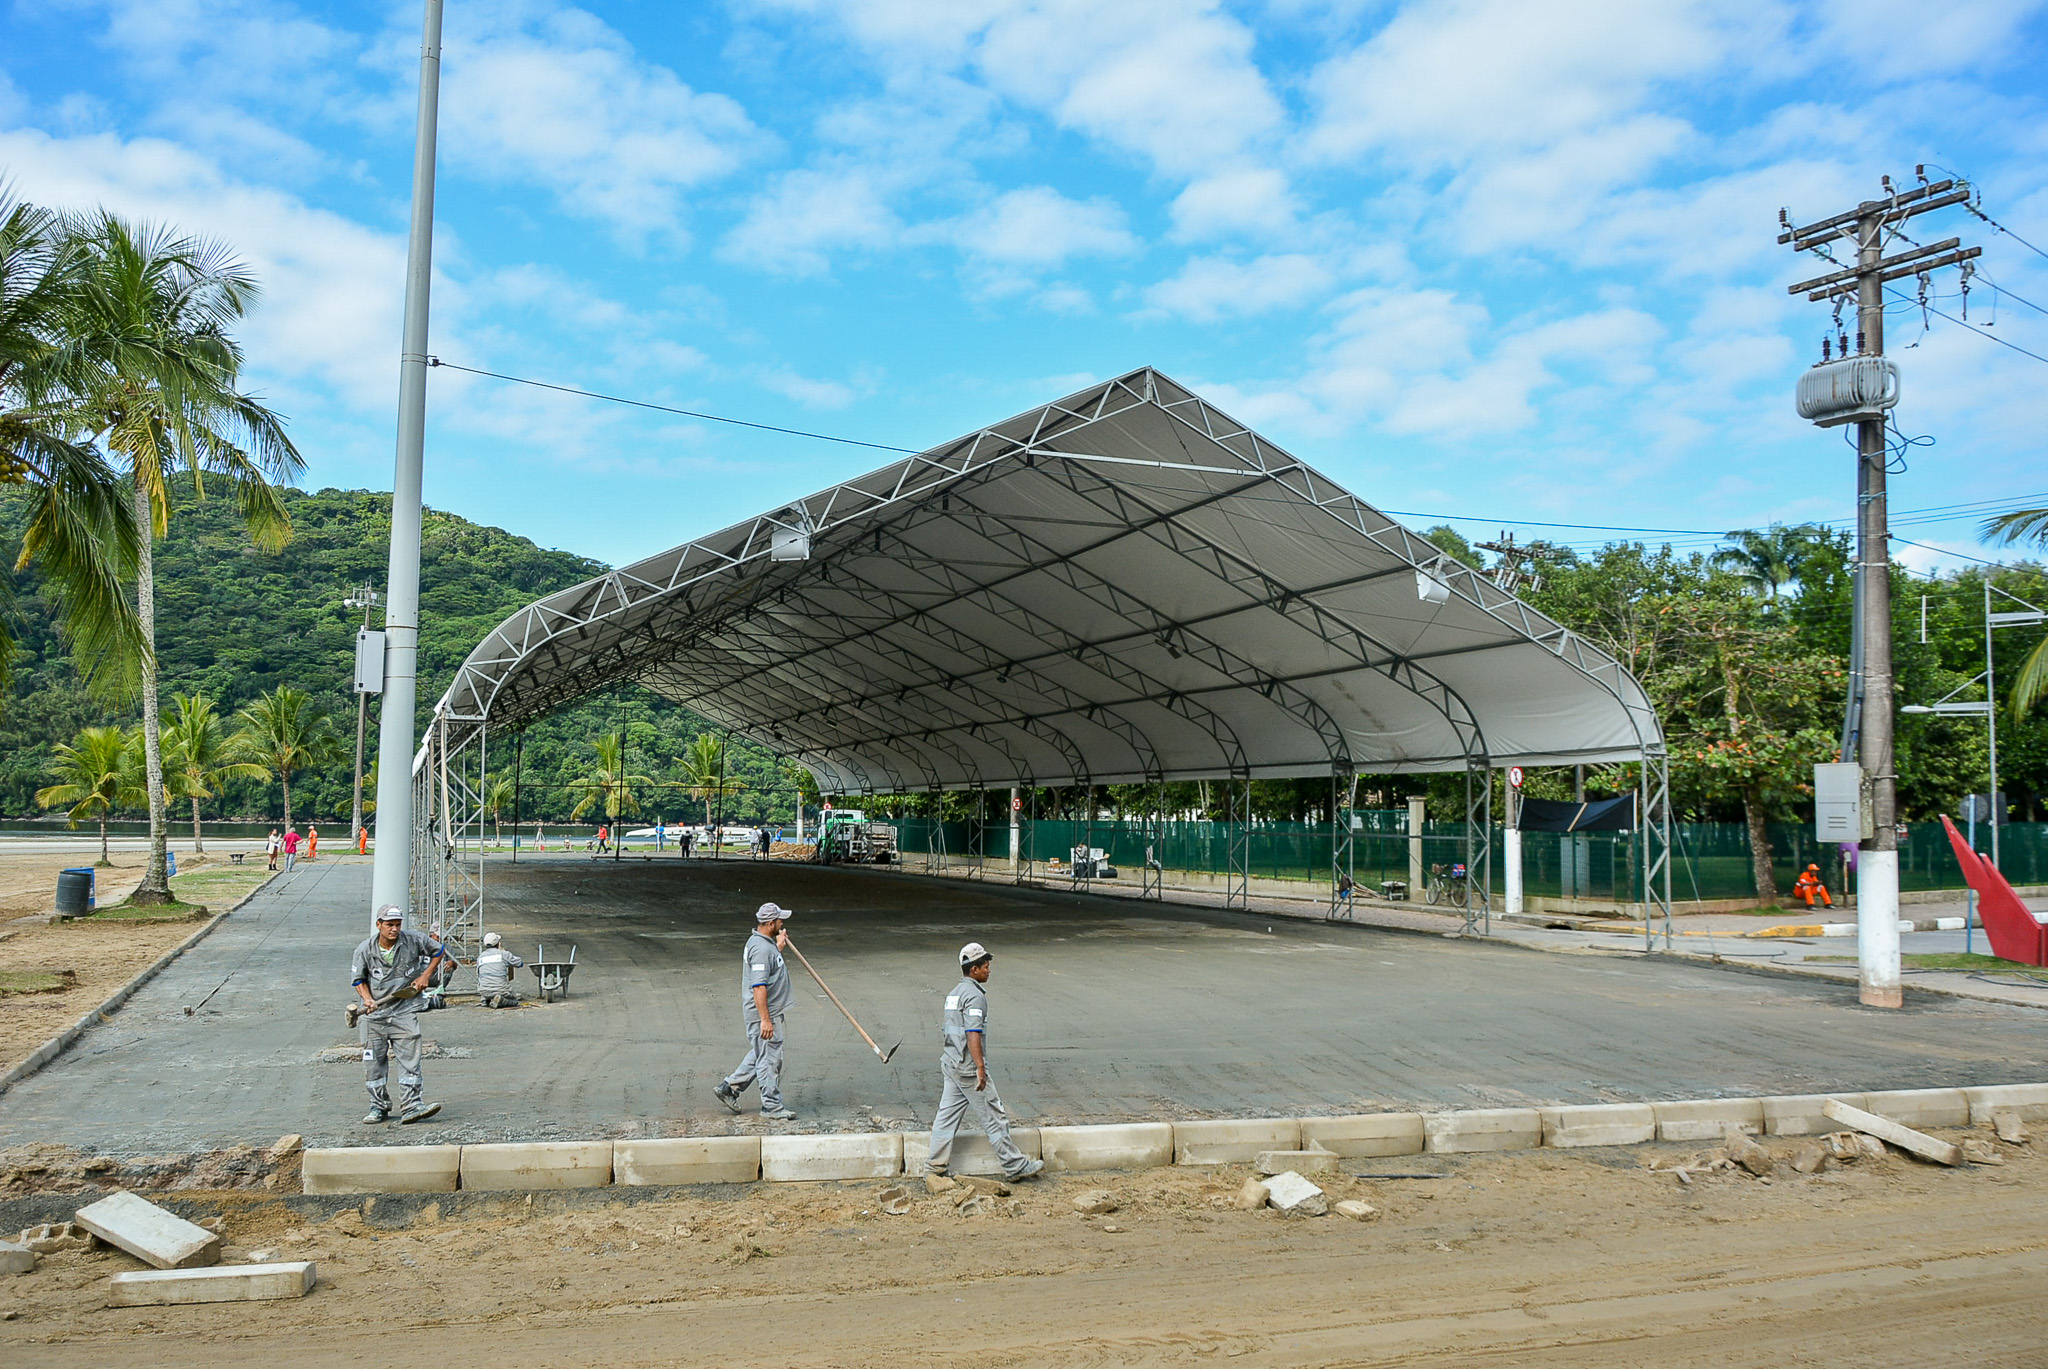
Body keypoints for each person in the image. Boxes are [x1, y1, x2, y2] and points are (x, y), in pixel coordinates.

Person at [926, 942, 1043, 1181]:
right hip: (968, 1068)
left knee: (946, 1118)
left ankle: (933, 1168)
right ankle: (1014, 1166)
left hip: (951, 1063)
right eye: (986, 966)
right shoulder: (974, 997)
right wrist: (980, 1067)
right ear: (974, 969)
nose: (989, 970)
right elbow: (972, 1032)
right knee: (993, 1115)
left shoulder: (953, 994)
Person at [349, 906, 446, 1125]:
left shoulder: (413, 940)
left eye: (397, 924)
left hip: (404, 1010)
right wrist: (367, 999)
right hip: (374, 1016)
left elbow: (439, 951)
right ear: (379, 925)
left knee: (410, 1060)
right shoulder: (364, 949)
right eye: (389, 925)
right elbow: (358, 980)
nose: (394, 929)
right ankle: (378, 1106)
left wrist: (425, 976)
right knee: (373, 1064)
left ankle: (412, 1105)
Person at [713, 902, 798, 1121]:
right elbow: (758, 986)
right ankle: (771, 1106)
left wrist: (778, 946)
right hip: (763, 1013)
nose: (782, 923)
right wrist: (765, 1020)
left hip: (767, 1012)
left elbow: (767, 966)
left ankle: (729, 1087)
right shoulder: (761, 949)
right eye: (779, 920)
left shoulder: (763, 943)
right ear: (770, 923)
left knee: (761, 1053)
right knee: (769, 1059)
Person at [476, 931, 526, 1009]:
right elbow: (520, 963)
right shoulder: (503, 954)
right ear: (498, 943)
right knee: (514, 1001)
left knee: (488, 990)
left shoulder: (480, 957)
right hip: (501, 989)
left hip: (484, 990)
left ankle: (486, 1001)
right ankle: (501, 1000)